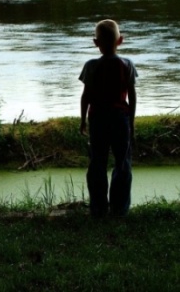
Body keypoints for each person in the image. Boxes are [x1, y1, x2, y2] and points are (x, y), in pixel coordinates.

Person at [79, 19, 138, 217]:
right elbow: (132, 94)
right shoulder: (127, 64)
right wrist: (132, 121)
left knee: (97, 162)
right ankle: (119, 209)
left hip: (97, 119)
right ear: (120, 41)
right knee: (122, 162)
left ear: (96, 43)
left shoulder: (91, 66)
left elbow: (86, 96)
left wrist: (82, 120)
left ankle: (98, 207)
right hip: (120, 118)